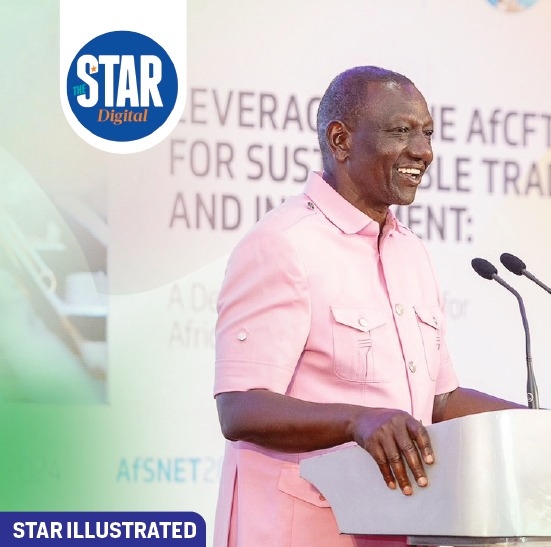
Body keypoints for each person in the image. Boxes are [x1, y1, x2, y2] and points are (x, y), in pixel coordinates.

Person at [212, 66, 523, 547]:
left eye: (427, 133)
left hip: (396, 525)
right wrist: (357, 420)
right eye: (401, 131)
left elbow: (438, 401)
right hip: (301, 530)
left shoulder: (411, 252)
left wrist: (548, 427)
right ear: (341, 141)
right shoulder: (283, 244)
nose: (422, 151)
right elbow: (239, 408)